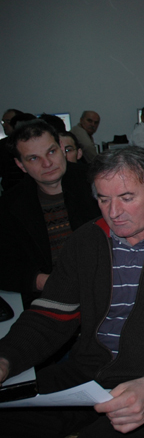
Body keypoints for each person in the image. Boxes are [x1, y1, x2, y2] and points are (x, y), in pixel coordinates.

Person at [0, 146, 144, 438]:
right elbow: (51, 315)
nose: (113, 212)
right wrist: (6, 357)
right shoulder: (86, 240)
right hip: (88, 372)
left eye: (126, 198)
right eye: (103, 199)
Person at [0, 120, 100, 308]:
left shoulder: (99, 184)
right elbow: (5, 266)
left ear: (62, 147)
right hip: (49, 298)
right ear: (20, 165)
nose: (47, 163)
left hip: (106, 291)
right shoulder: (9, 206)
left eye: (51, 152)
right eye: (33, 158)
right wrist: (45, 282)